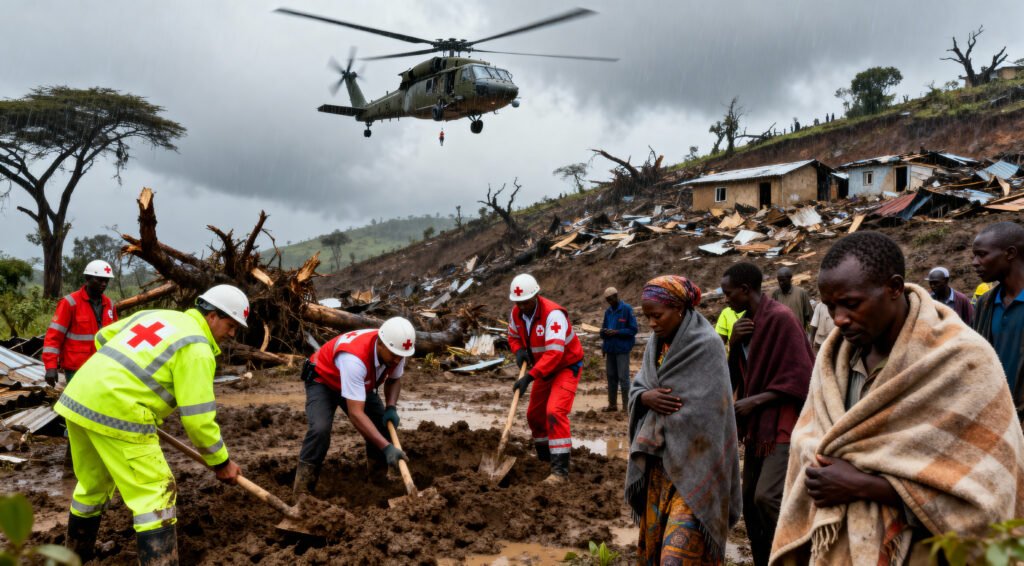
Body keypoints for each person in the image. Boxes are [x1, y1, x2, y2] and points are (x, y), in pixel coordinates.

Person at [772, 231, 1024, 565]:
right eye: (831, 307)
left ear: (893, 287)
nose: (839, 319)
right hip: (838, 542)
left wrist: (867, 486)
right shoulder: (834, 360)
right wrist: (820, 465)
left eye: (851, 303)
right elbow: (811, 440)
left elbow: (987, 487)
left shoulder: (963, 360)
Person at [55, 284, 248, 565]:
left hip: (79, 398)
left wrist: (113, 381)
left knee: (92, 484)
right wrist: (221, 462)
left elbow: (102, 337)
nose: (232, 333)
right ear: (212, 317)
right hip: (120, 409)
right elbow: (198, 421)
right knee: (156, 493)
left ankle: (74, 558)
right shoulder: (197, 348)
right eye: (231, 325)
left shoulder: (156, 315)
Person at [626, 276, 741, 564]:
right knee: (656, 551)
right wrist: (644, 398)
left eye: (657, 315)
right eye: (647, 316)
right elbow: (640, 386)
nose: (651, 323)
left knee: (675, 559)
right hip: (659, 468)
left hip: (696, 468)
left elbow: (715, 412)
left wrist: (675, 413)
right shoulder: (655, 346)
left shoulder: (709, 345)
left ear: (679, 309)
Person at [722, 262, 814, 566]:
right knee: (749, 502)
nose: (726, 299)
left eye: (728, 293)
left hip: (782, 423)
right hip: (757, 428)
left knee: (767, 498)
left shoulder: (781, 319)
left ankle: (795, 556)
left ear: (745, 290)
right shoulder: (746, 323)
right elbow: (734, 377)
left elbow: (800, 379)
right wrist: (734, 345)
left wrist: (755, 401)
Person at [292, 317, 416, 497]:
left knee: (381, 424)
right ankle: (302, 493)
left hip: (357, 383)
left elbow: (394, 379)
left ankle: (377, 482)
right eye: (394, 355)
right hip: (324, 380)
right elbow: (356, 413)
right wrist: (387, 447)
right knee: (320, 430)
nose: (398, 360)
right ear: (380, 344)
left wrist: (391, 407)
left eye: (401, 356)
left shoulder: (397, 348)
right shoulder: (354, 358)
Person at [507, 273, 584, 483]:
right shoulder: (516, 314)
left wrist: (529, 377)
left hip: (565, 367)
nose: (522, 307)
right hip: (544, 369)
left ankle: (560, 472)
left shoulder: (553, 315)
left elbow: (555, 354)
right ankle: (545, 461)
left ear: (536, 296)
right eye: (518, 303)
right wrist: (518, 350)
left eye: (525, 302)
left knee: (554, 412)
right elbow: (512, 336)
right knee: (534, 416)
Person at [972, 222, 1024, 422]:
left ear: (1010, 254)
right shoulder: (985, 304)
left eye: (982, 254)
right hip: (995, 418)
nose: (975, 262)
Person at [43, 260, 118, 387]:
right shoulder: (70, 303)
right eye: (99, 280)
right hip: (76, 368)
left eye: (106, 280)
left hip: (103, 366)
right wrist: (51, 366)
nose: (104, 284)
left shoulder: (110, 305)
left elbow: (116, 337)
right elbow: (54, 337)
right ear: (87, 279)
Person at [599, 286, 637, 412]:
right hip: (610, 349)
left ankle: (627, 406)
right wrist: (604, 338)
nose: (610, 302)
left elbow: (633, 330)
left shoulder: (627, 309)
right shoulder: (608, 312)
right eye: (607, 300)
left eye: (611, 299)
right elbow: (604, 329)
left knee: (623, 377)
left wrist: (616, 332)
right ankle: (612, 405)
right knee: (611, 376)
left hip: (622, 349)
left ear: (616, 296)